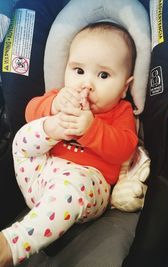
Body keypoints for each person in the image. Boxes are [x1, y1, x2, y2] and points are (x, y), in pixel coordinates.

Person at [0, 22, 138, 266]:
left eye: (103, 75)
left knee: (72, 186)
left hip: (84, 187)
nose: (86, 85)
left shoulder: (120, 111)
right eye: (78, 71)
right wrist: (53, 111)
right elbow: (31, 111)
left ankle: (12, 244)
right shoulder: (59, 95)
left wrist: (91, 129)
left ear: (125, 87)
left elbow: (125, 148)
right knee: (22, 136)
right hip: (39, 177)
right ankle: (54, 129)